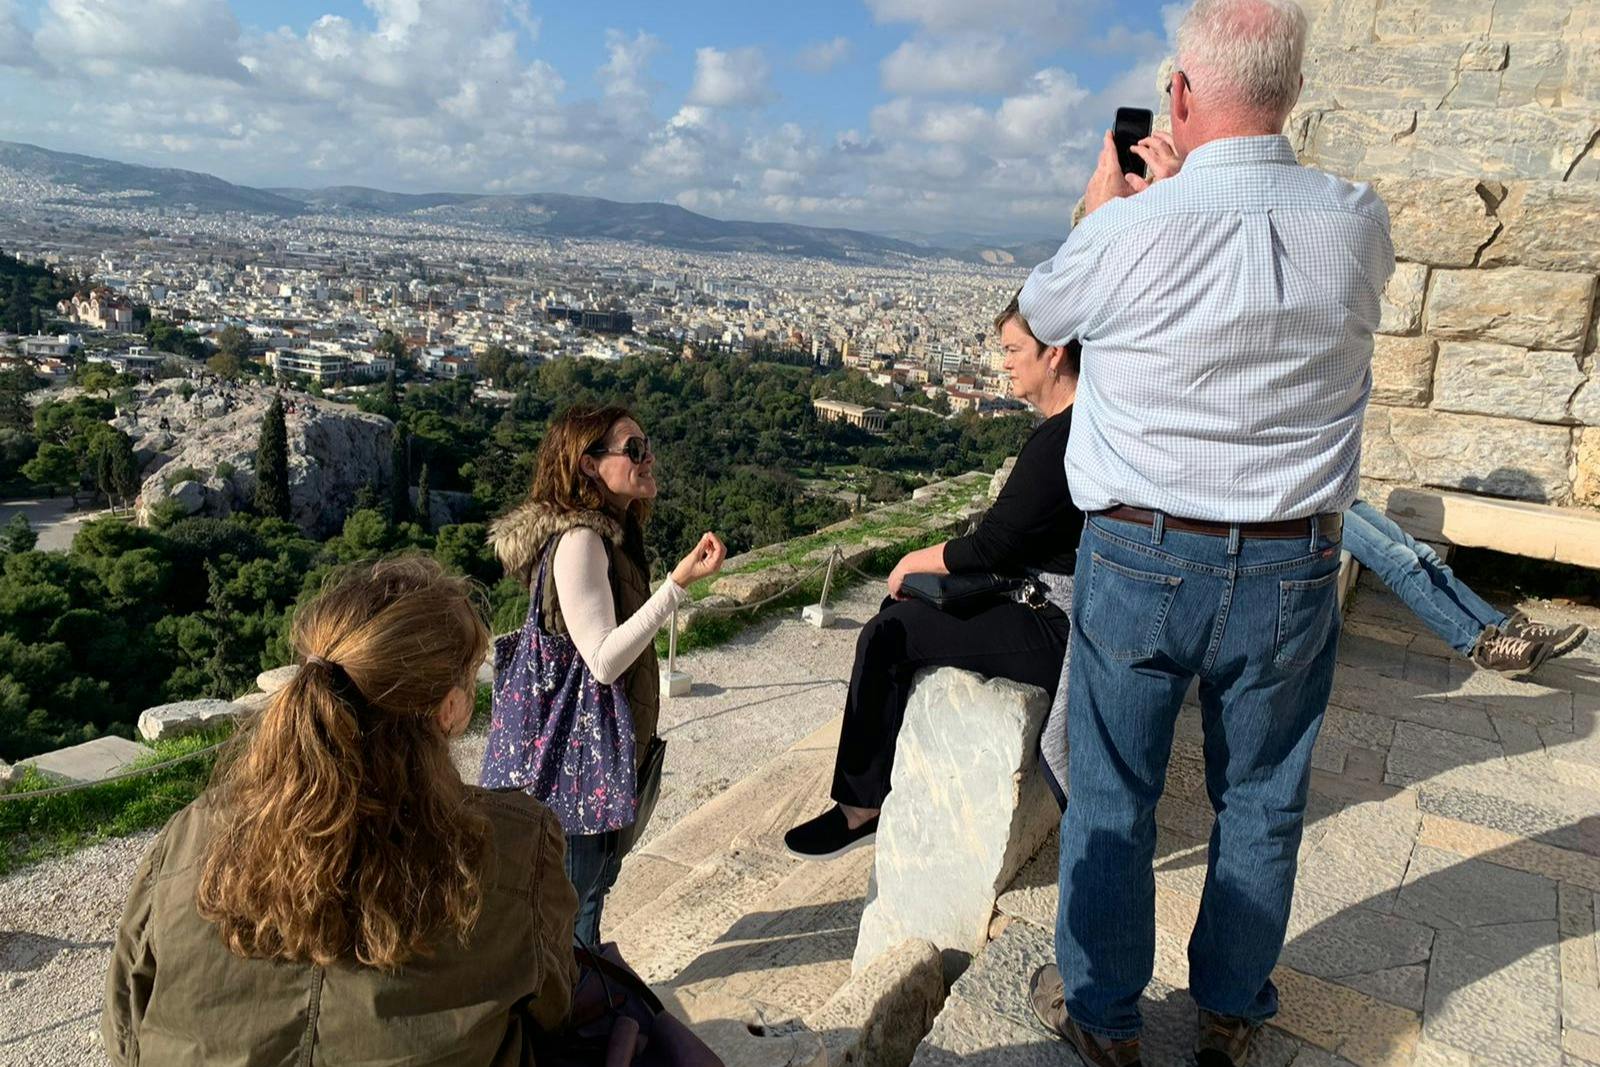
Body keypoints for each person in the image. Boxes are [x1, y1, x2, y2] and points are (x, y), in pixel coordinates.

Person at [1015, 0, 1396, 1063]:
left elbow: (1040, 318)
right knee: (1263, 796)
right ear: (1293, 91)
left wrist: (1101, 208)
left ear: (1177, 97)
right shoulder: (1355, 217)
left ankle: (1101, 1011)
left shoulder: (1132, 229)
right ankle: (1228, 1005)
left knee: (1113, 795)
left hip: (1139, 549)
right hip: (1290, 557)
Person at [102, 557, 578, 1066]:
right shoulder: (517, 845)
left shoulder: (192, 833)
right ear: (452, 708)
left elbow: (127, 1025)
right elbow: (554, 1012)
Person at [783, 293, 1085, 859]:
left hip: (1057, 625)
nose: (1005, 363)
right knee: (898, 619)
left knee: (889, 633)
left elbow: (993, 543)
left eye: (1014, 349)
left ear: (1055, 354)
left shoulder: (1060, 440)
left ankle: (859, 809)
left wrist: (909, 560)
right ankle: (870, 792)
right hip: (1052, 603)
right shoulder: (1077, 425)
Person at [481, 405, 725, 945]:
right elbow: (603, 659)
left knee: (583, 908)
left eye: (646, 446)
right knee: (572, 925)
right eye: (632, 449)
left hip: (599, 761)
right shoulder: (580, 541)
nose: (646, 458)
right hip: (577, 771)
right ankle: (576, 1021)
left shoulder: (612, 536)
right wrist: (677, 586)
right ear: (590, 466)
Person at [1344, 499, 1587, 673]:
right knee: (1399, 561)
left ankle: (1503, 627)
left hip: (1336, 494)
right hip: (1313, 506)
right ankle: (1481, 645)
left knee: (1423, 555)